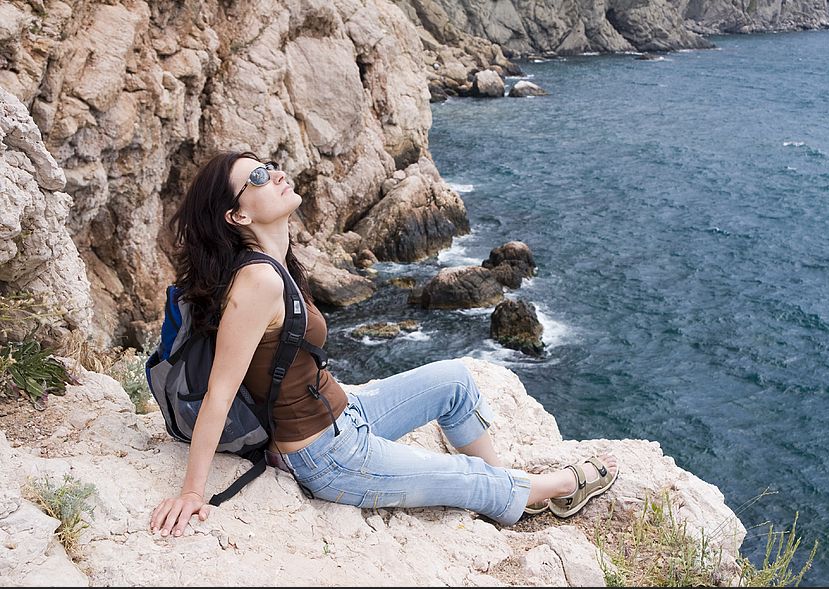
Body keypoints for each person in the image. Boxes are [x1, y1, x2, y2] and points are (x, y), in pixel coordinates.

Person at [149, 151, 619, 538]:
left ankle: (506, 492)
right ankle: (531, 489)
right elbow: (220, 393)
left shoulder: (274, 262)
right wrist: (192, 492)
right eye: (257, 176)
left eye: (269, 164)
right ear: (238, 214)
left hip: (348, 414)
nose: (276, 173)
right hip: (326, 457)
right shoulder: (258, 282)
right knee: (465, 479)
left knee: (455, 380)